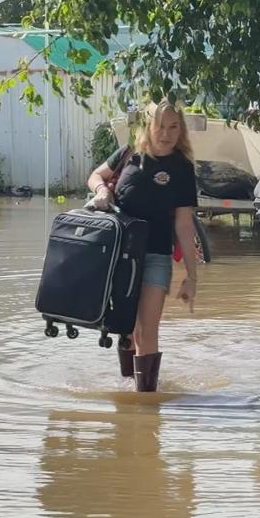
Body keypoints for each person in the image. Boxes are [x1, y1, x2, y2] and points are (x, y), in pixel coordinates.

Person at [87, 100, 200, 391]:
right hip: (118, 256)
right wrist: (101, 190)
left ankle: (146, 405)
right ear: (148, 126)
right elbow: (96, 175)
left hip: (156, 256)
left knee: (147, 331)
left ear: (181, 129)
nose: (166, 133)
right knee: (126, 329)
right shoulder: (128, 154)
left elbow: (184, 226)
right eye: (160, 125)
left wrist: (192, 276)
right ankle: (128, 407)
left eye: (174, 126)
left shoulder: (183, 168)